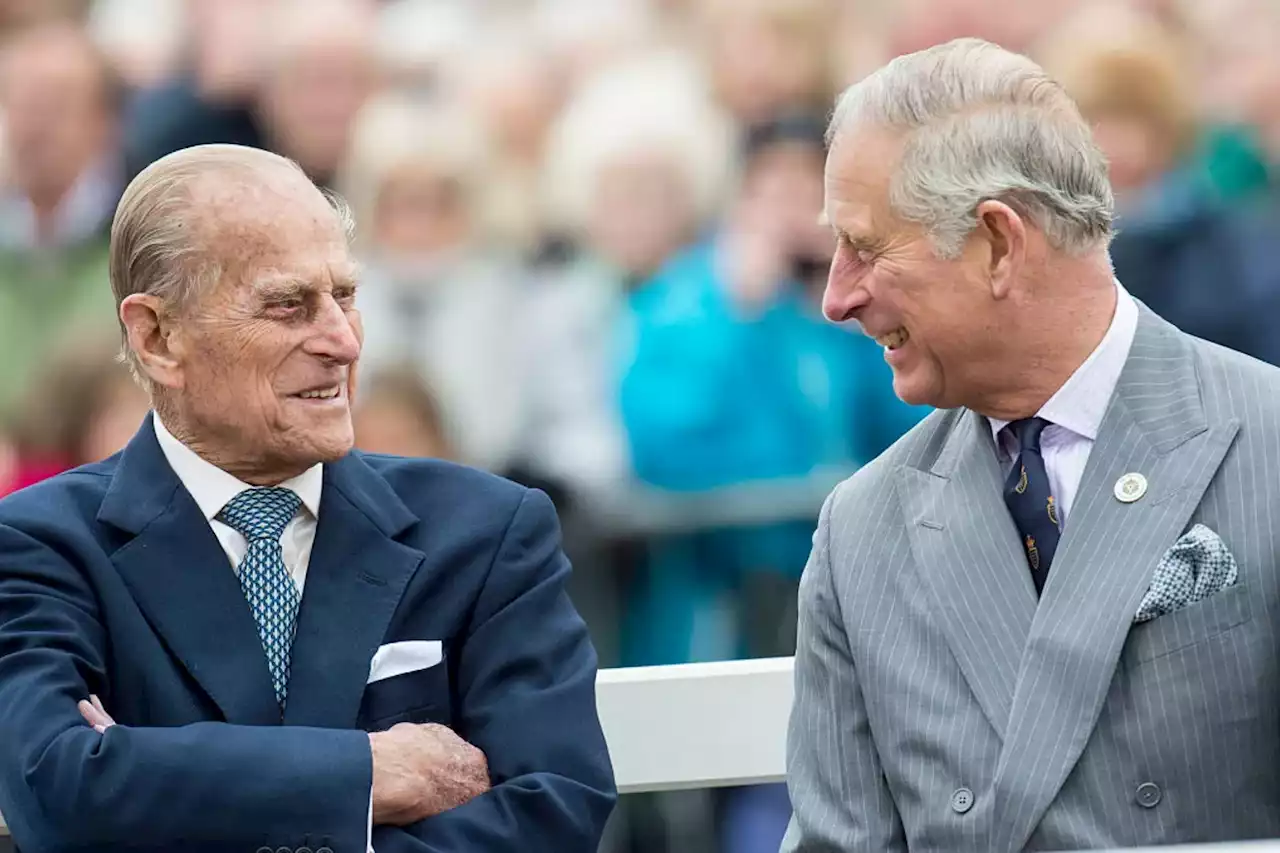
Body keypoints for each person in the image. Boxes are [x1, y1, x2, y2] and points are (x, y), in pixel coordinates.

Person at [0, 144, 615, 852]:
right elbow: (59, 788)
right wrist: (366, 771)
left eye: (346, 295)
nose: (344, 341)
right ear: (158, 336)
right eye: (288, 305)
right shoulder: (41, 545)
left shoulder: (488, 532)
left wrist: (150, 777)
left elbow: (553, 813)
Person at [783, 38, 1280, 852]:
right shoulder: (860, 531)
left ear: (1000, 244)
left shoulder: (1269, 447)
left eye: (866, 248)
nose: (837, 297)